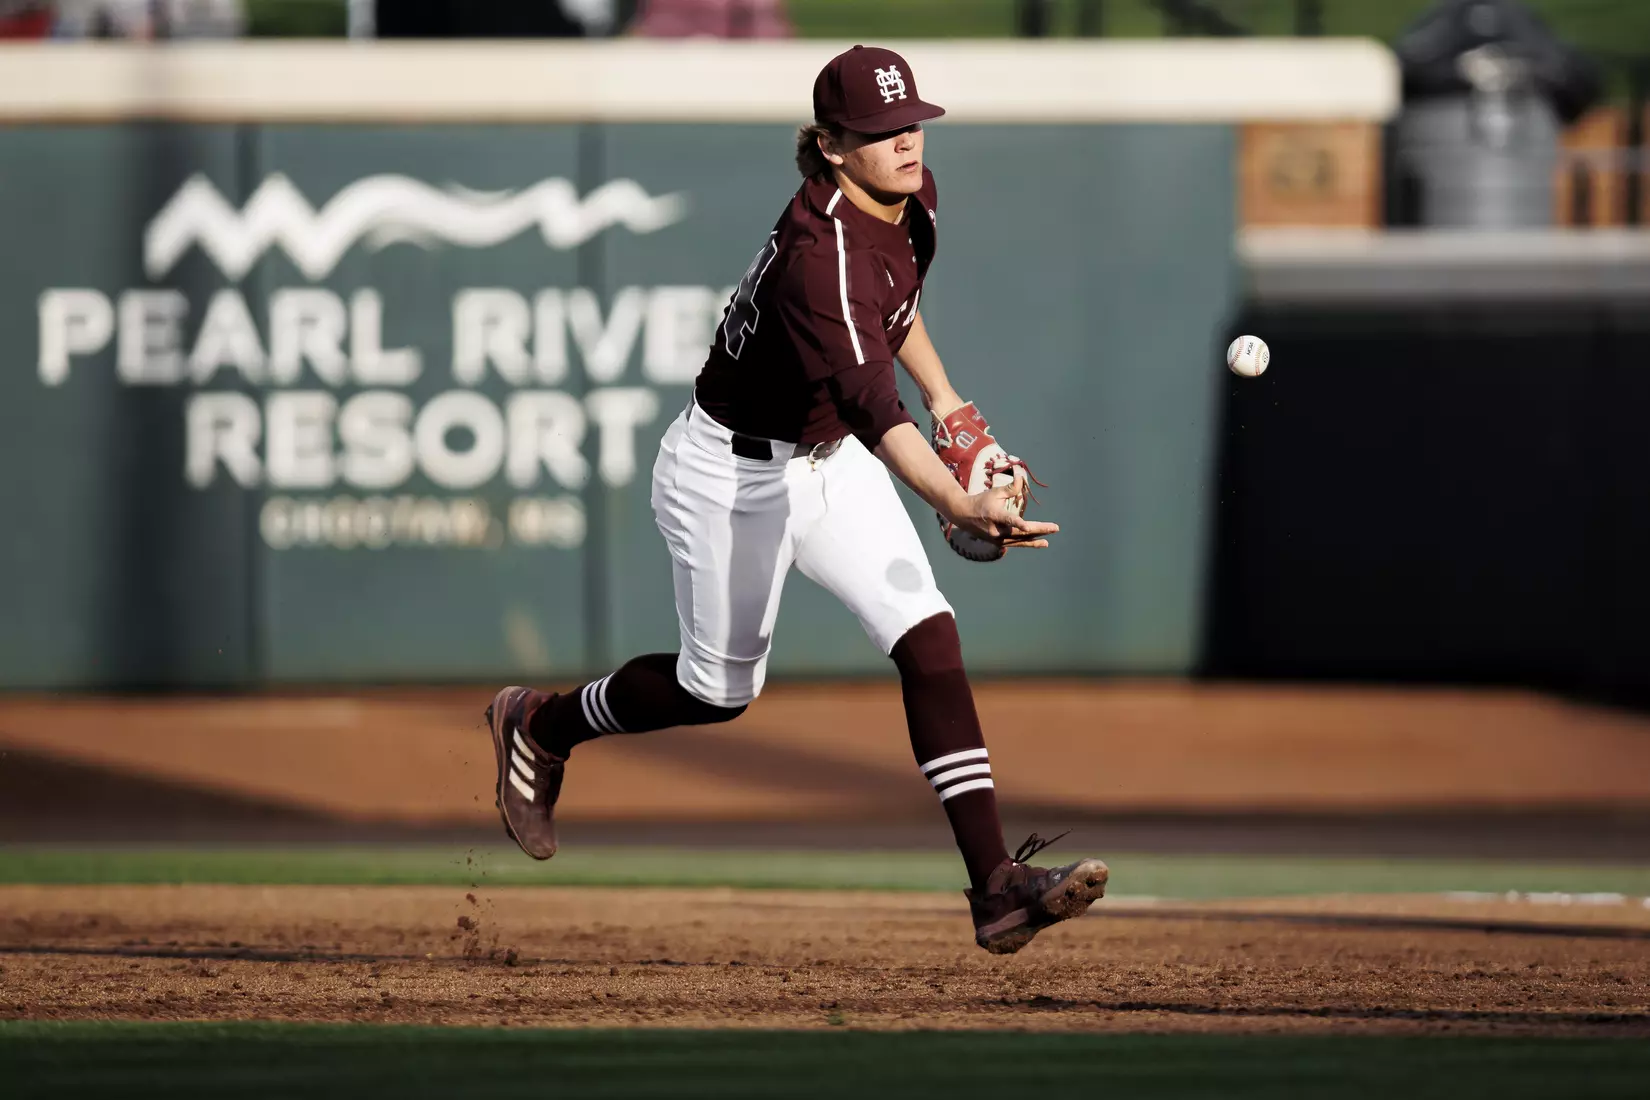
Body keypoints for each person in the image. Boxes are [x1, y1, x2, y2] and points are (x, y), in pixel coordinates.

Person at [486, 45, 1107, 954]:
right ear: (829, 145)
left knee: (930, 638)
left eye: (911, 123)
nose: (905, 142)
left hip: (829, 460)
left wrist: (954, 408)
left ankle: (996, 888)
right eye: (878, 131)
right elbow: (870, 405)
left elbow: (899, 316)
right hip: (729, 474)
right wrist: (957, 500)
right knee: (717, 689)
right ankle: (541, 721)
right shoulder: (821, 260)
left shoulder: (908, 200)